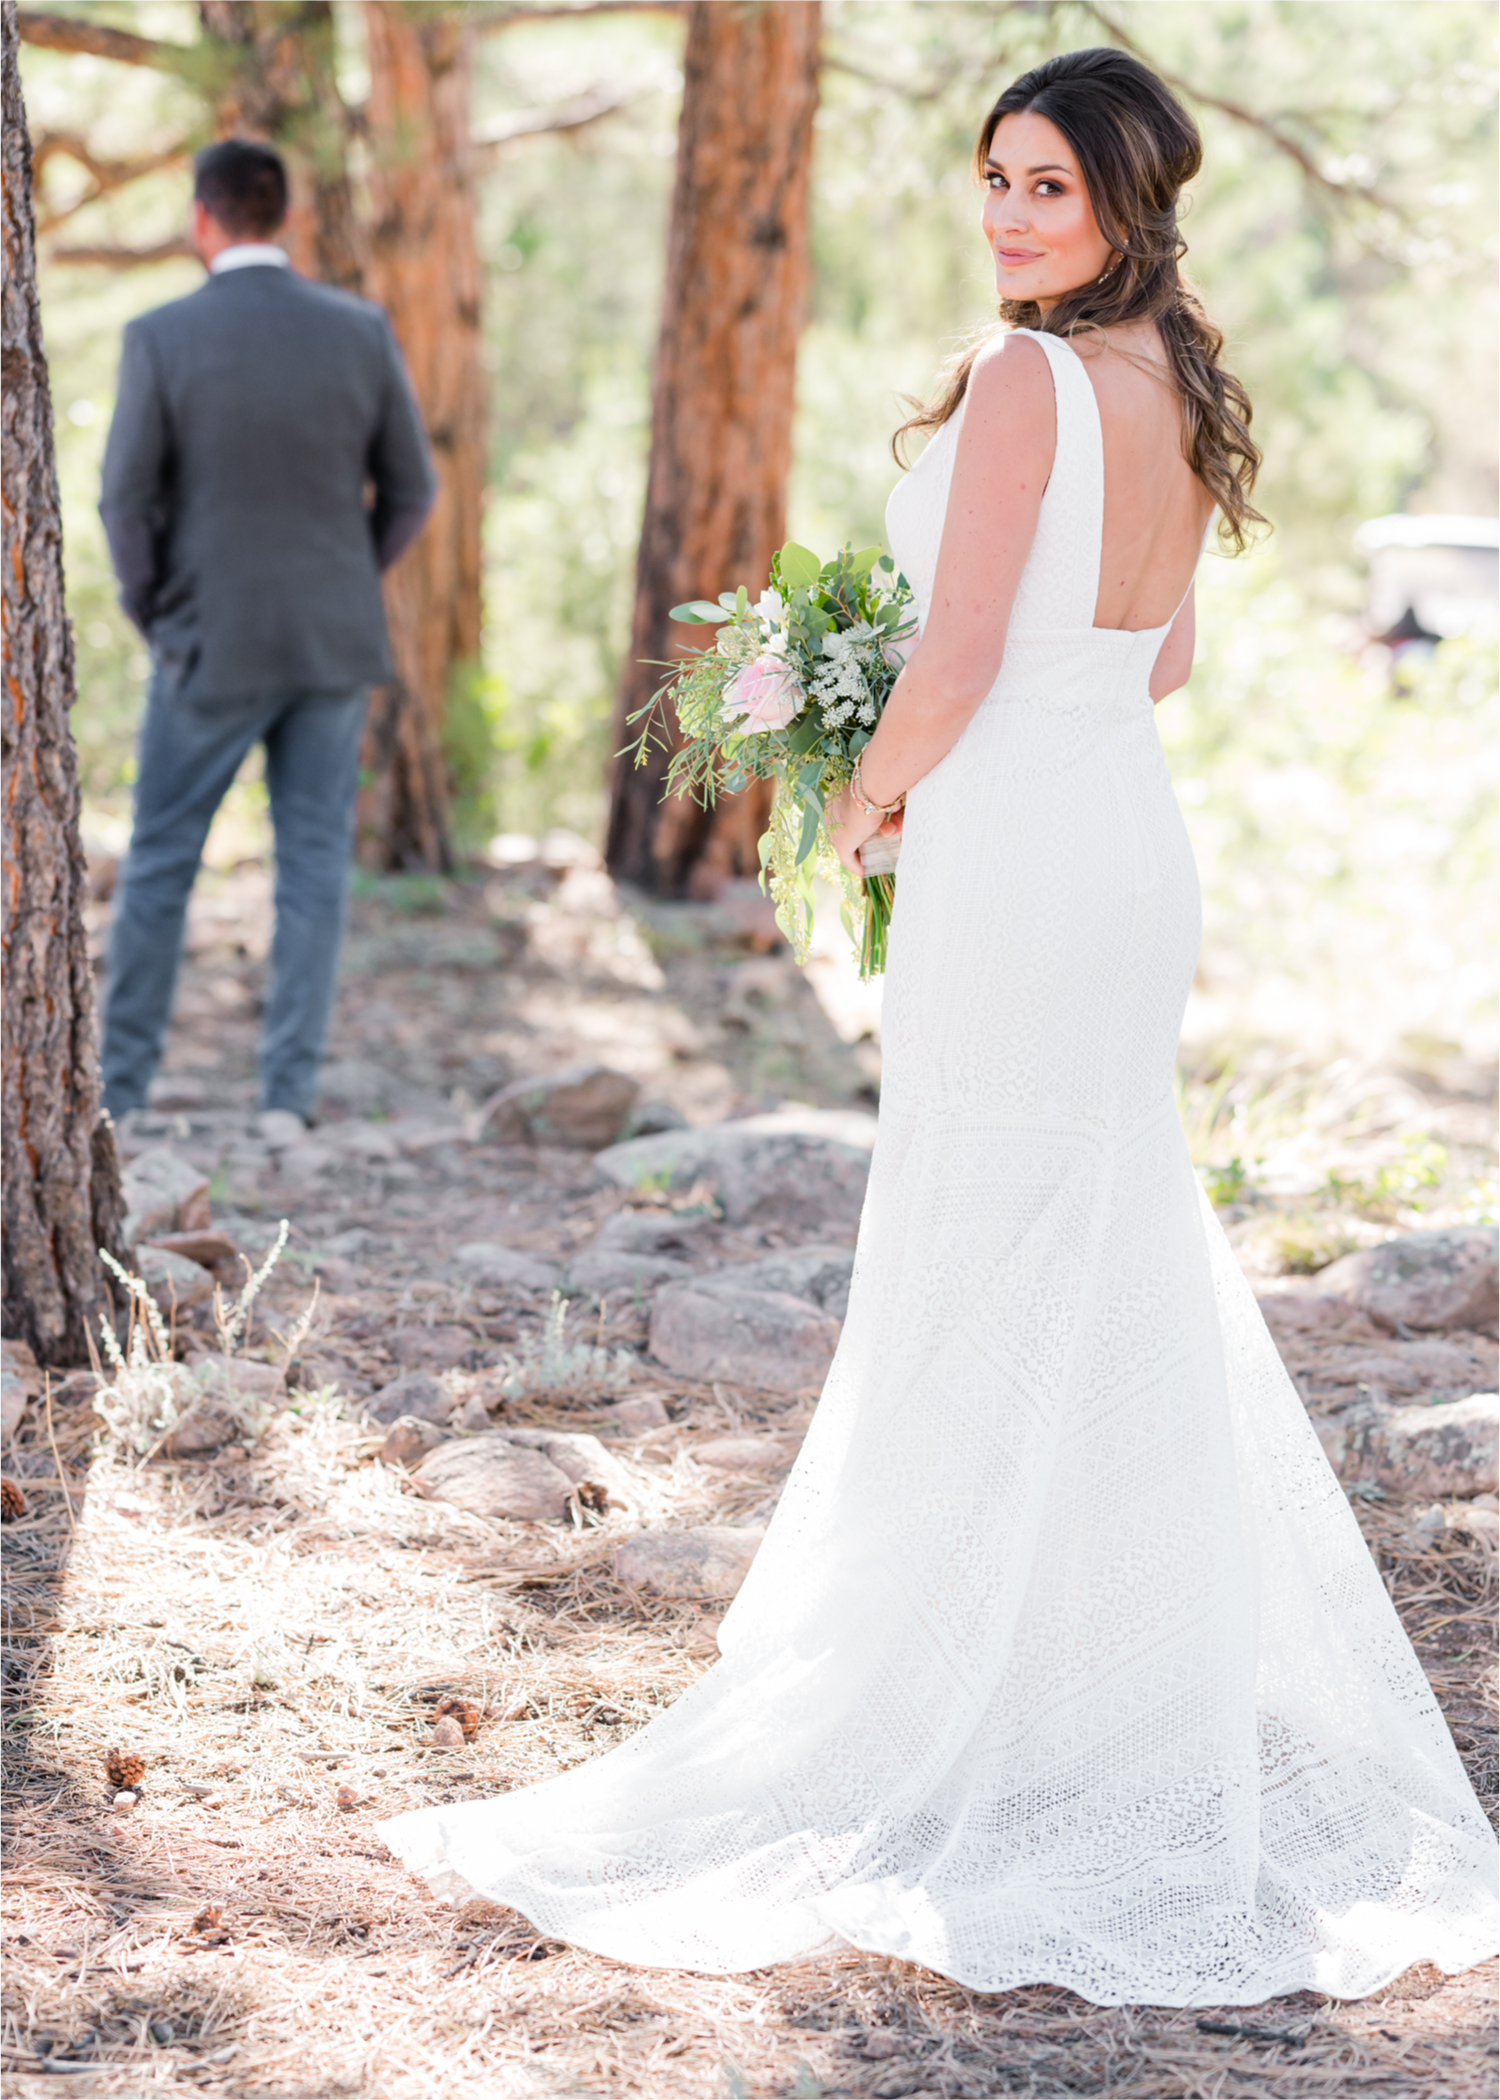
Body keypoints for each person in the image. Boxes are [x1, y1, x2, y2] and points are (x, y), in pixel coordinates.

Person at [378, 51, 1498, 2000]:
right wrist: (950, 732)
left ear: (1126, 200)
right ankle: (1105, 1697)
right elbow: (1157, 659)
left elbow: (965, 653)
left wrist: (857, 795)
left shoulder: (1027, 381)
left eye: (1049, 184)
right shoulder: (1175, 383)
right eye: (995, 178)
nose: (1009, 214)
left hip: (1015, 856)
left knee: (985, 1253)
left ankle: (966, 1689)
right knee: (1100, 1250)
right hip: (1122, 845)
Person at [98, 138, 435, 1138]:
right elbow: (413, 490)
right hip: (332, 642)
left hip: (208, 642)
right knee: (314, 867)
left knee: (161, 861)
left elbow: (124, 501)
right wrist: (347, 577)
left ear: (201, 219)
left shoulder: (161, 335)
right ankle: (286, 1101)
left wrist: (157, 612)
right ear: (285, 217)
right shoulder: (360, 329)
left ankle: (122, 1093)